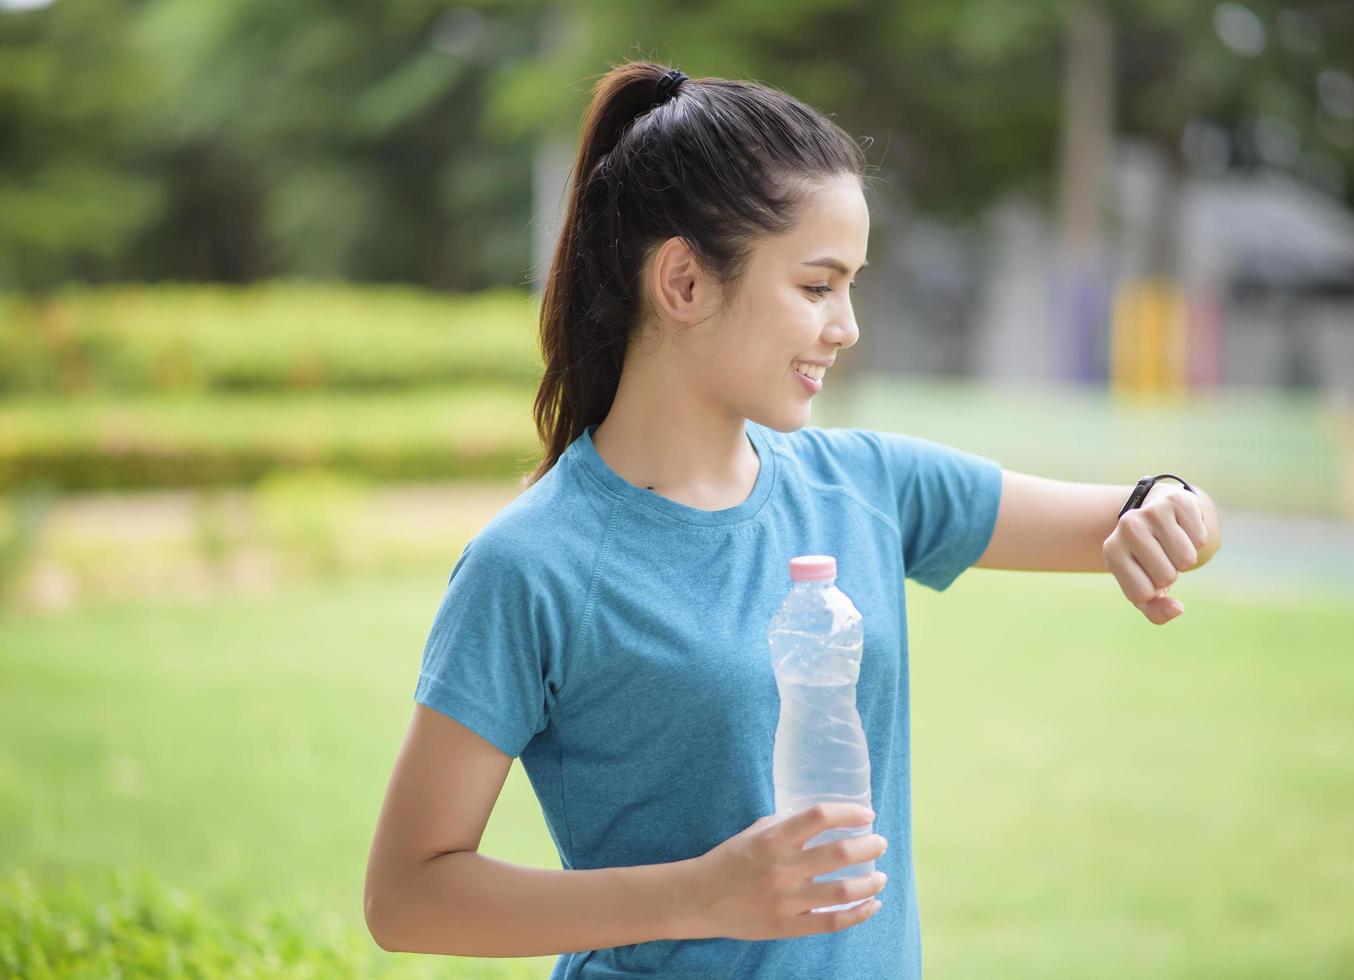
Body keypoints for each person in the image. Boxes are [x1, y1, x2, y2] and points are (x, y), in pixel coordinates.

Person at [363, 58, 1212, 977]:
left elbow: (1135, 513)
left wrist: (1169, 507)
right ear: (684, 282)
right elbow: (406, 896)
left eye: (851, 285)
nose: (847, 325)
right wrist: (701, 894)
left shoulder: (866, 484)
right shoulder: (533, 565)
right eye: (816, 287)